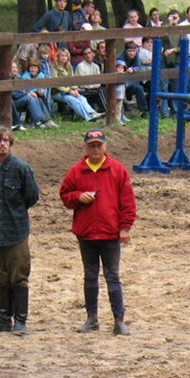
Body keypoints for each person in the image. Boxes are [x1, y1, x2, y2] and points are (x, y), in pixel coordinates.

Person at [59, 129, 137, 336]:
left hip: (110, 233)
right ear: (85, 147)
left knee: (113, 277)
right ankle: (92, 318)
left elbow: (128, 202)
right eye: (91, 145)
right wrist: (78, 197)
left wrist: (125, 228)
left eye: (98, 145)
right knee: (90, 276)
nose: (95, 148)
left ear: (105, 146)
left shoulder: (118, 170)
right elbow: (64, 195)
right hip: (86, 233)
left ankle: (119, 320)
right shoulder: (76, 171)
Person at [0, 127, 39, 335]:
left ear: (10, 144)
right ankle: (3, 318)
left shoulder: (22, 168)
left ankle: (20, 320)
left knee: (19, 275)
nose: (2, 144)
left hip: (16, 229)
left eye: (5, 140)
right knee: (1, 275)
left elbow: (32, 196)